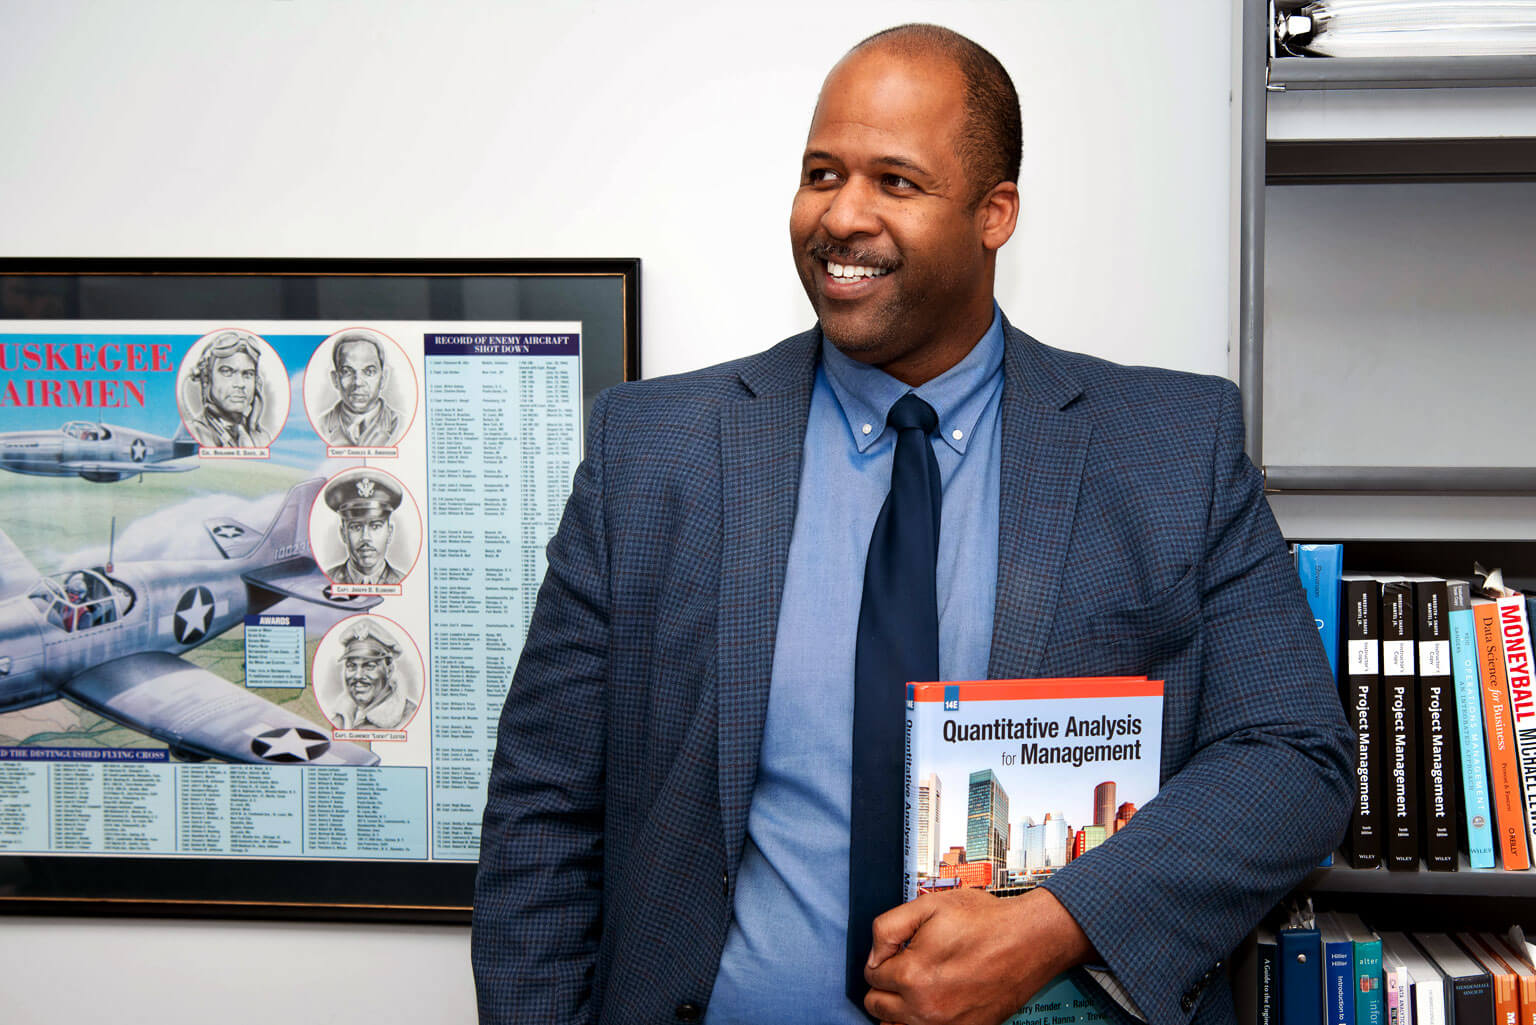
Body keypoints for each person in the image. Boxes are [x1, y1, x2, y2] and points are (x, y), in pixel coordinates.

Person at [472, 23, 1353, 1025]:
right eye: (821, 172)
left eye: (895, 181)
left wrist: (1057, 921)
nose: (842, 215)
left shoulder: (1169, 448)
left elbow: (1293, 757)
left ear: (994, 213)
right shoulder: (654, 451)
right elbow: (544, 811)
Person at [185, 330, 272, 448]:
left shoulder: (263, 438)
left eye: (248, 374)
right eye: (227, 372)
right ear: (206, 378)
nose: (240, 384)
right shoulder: (191, 434)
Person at [316, 330, 403, 447]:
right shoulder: (321, 425)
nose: (357, 382)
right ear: (335, 379)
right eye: (347, 371)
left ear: (383, 378)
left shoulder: (400, 424)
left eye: (369, 371)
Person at [327, 620, 416, 730]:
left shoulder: (408, 716)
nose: (358, 676)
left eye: (369, 666)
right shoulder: (340, 718)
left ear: (389, 670)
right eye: (351, 666)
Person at [323, 473, 407, 585]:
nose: (365, 538)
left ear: (389, 532)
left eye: (375, 526)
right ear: (343, 534)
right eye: (356, 527)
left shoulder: (403, 582)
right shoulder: (325, 580)